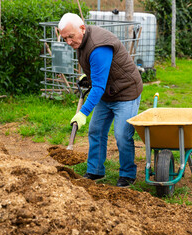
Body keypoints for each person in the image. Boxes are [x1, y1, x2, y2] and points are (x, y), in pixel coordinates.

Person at [58, 13, 143, 187]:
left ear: (82, 29)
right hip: (108, 92)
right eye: (64, 38)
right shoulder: (82, 40)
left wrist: (83, 113)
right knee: (96, 130)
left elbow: (98, 87)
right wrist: (88, 75)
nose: (68, 42)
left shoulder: (98, 46)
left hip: (126, 92)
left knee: (121, 134)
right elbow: (99, 71)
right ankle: (95, 171)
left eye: (70, 37)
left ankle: (127, 173)